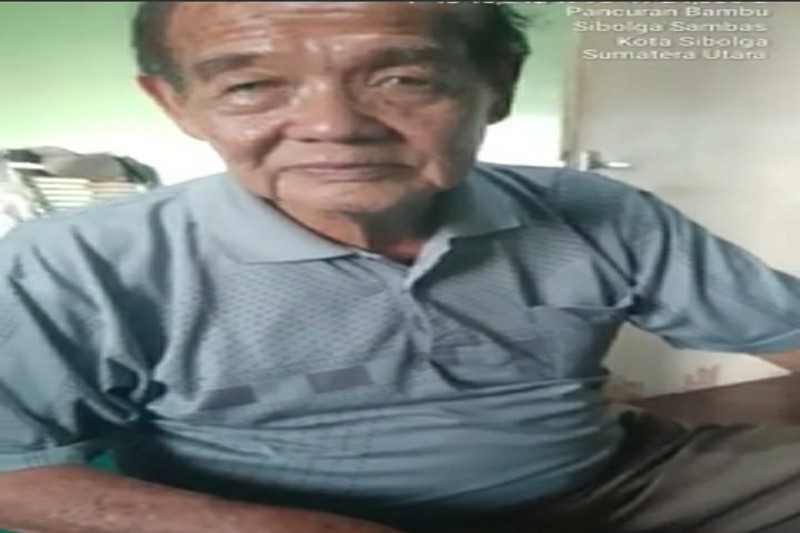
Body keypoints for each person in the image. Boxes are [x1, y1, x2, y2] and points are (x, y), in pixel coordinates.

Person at [1, 2, 800, 532]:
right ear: (175, 104)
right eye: (251, 86)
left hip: (616, 486)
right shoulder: (72, 263)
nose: (335, 126)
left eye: (403, 79)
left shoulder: (593, 210)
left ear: (496, 85)